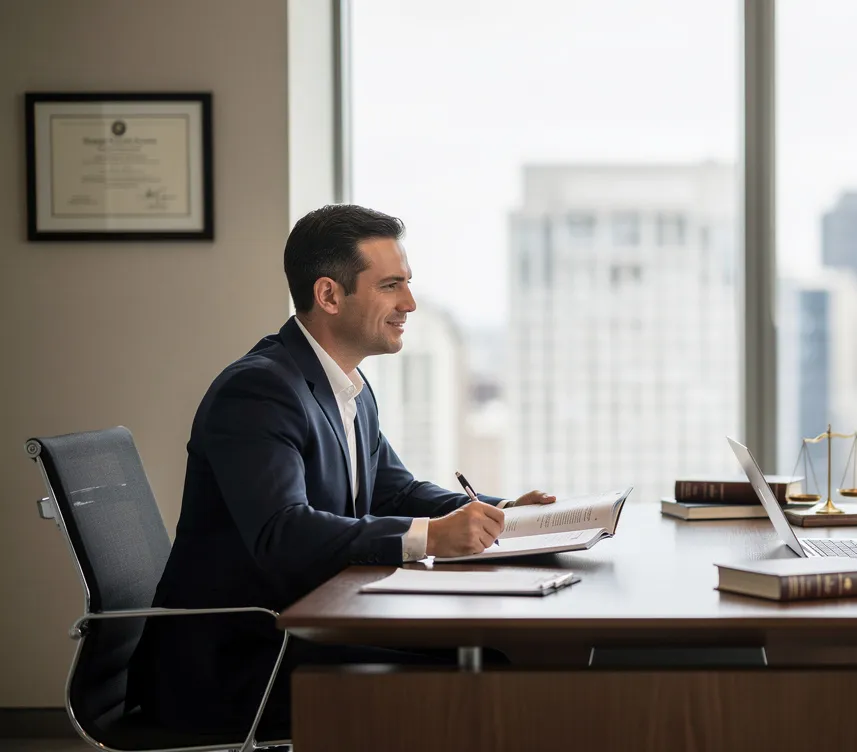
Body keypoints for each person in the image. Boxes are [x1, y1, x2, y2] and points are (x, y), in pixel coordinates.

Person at [129, 204, 555, 734]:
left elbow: (395, 492)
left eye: (408, 284)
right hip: (238, 663)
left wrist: (502, 514)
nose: (410, 303)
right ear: (329, 295)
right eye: (391, 286)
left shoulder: (346, 385)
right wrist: (430, 538)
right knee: (479, 676)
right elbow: (283, 532)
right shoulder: (259, 391)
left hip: (303, 627)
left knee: (491, 657)